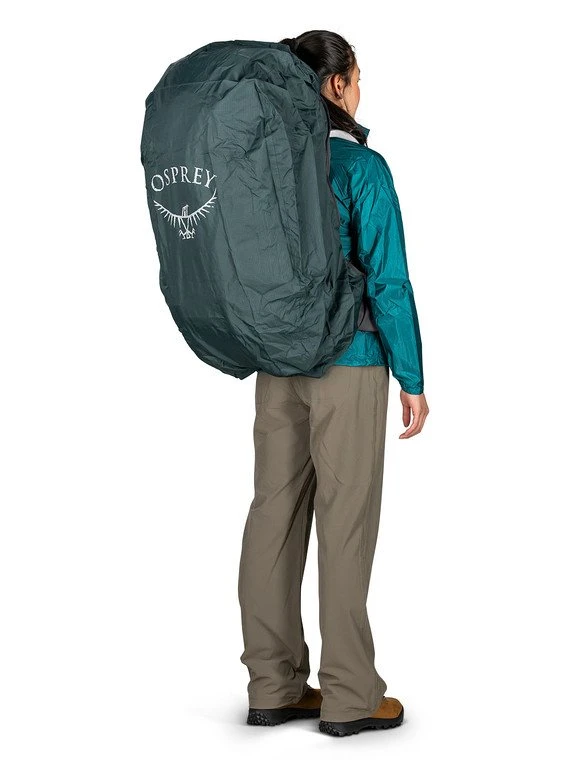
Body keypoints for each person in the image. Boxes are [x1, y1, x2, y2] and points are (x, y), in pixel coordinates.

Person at [238, 29, 430, 738]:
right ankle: (349, 695)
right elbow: (388, 280)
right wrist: (411, 376)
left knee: (273, 515)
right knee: (344, 524)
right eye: (355, 75)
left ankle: (273, 686)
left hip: (277, 363)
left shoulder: (263, 165)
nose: (359, 86)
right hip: (349, 364)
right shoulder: (363, 169)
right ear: (336, 85)